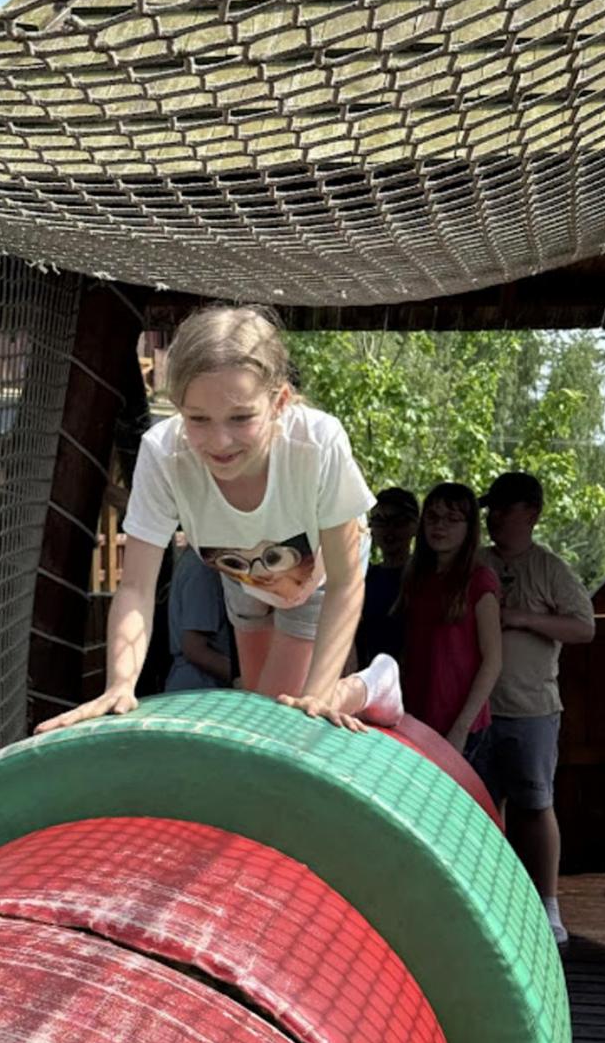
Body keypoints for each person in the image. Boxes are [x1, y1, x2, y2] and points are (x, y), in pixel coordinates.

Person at [34, 306, 403, 735]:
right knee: (257, 700)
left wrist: (318, 697)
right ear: (179, 409)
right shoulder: (165, 454)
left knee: (281, 719)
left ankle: (370, 685)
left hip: (318, 573)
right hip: (241, 572)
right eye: (198, 419)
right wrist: (120, 683)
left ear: (279, 402)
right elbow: (135, 586)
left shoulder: (316, 443)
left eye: (241, 418)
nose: (220, 441)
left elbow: (345, 582)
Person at [476, 471, 595, 948]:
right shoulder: (476, 562)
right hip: (476, 710)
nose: (494, 517)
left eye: (505, 508)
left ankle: (548, 905)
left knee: (535, 805)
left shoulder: (550, 569)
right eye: (491, 508)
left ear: (533, 513)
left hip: (532, 708)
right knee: (480, 810)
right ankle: (489, 903)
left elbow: (584, 628)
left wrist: (522, 618)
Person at [400, 483, 502, 763]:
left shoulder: (480, 580)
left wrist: (461, 728)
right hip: (418, 716)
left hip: (461, 722)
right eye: (432, 517)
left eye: (452, 519)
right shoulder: (416, 575)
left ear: (469, 528)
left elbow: (493, 660)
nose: (440, 526)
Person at [355, 487, 419, 666]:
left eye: (398, 521)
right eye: (379, 521)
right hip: (368, 674)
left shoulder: (426, 577)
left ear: (415, 526)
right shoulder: (364, 578)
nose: (389, 529)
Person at [164, 543, 233, 691]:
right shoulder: (204, 569)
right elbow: (195, 649)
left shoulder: (192, 561)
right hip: (202, 687)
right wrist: (243, 678)